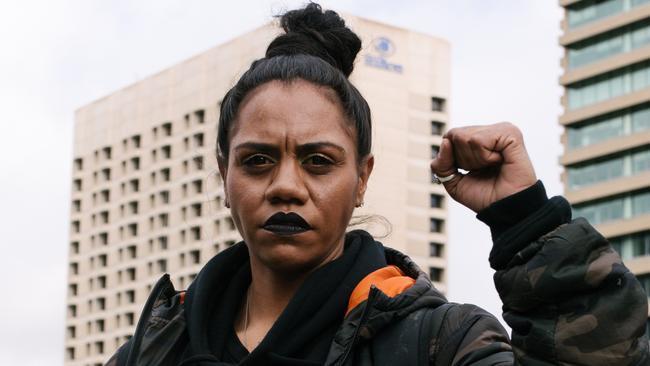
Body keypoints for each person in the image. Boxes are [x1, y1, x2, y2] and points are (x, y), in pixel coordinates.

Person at [105, 3, 649, 366]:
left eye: (318, 161)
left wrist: (527, 222)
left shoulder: (438, 344)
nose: (286, 186)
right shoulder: (154, 349)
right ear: (223, 175)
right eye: (257, 161)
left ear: (362, 178)